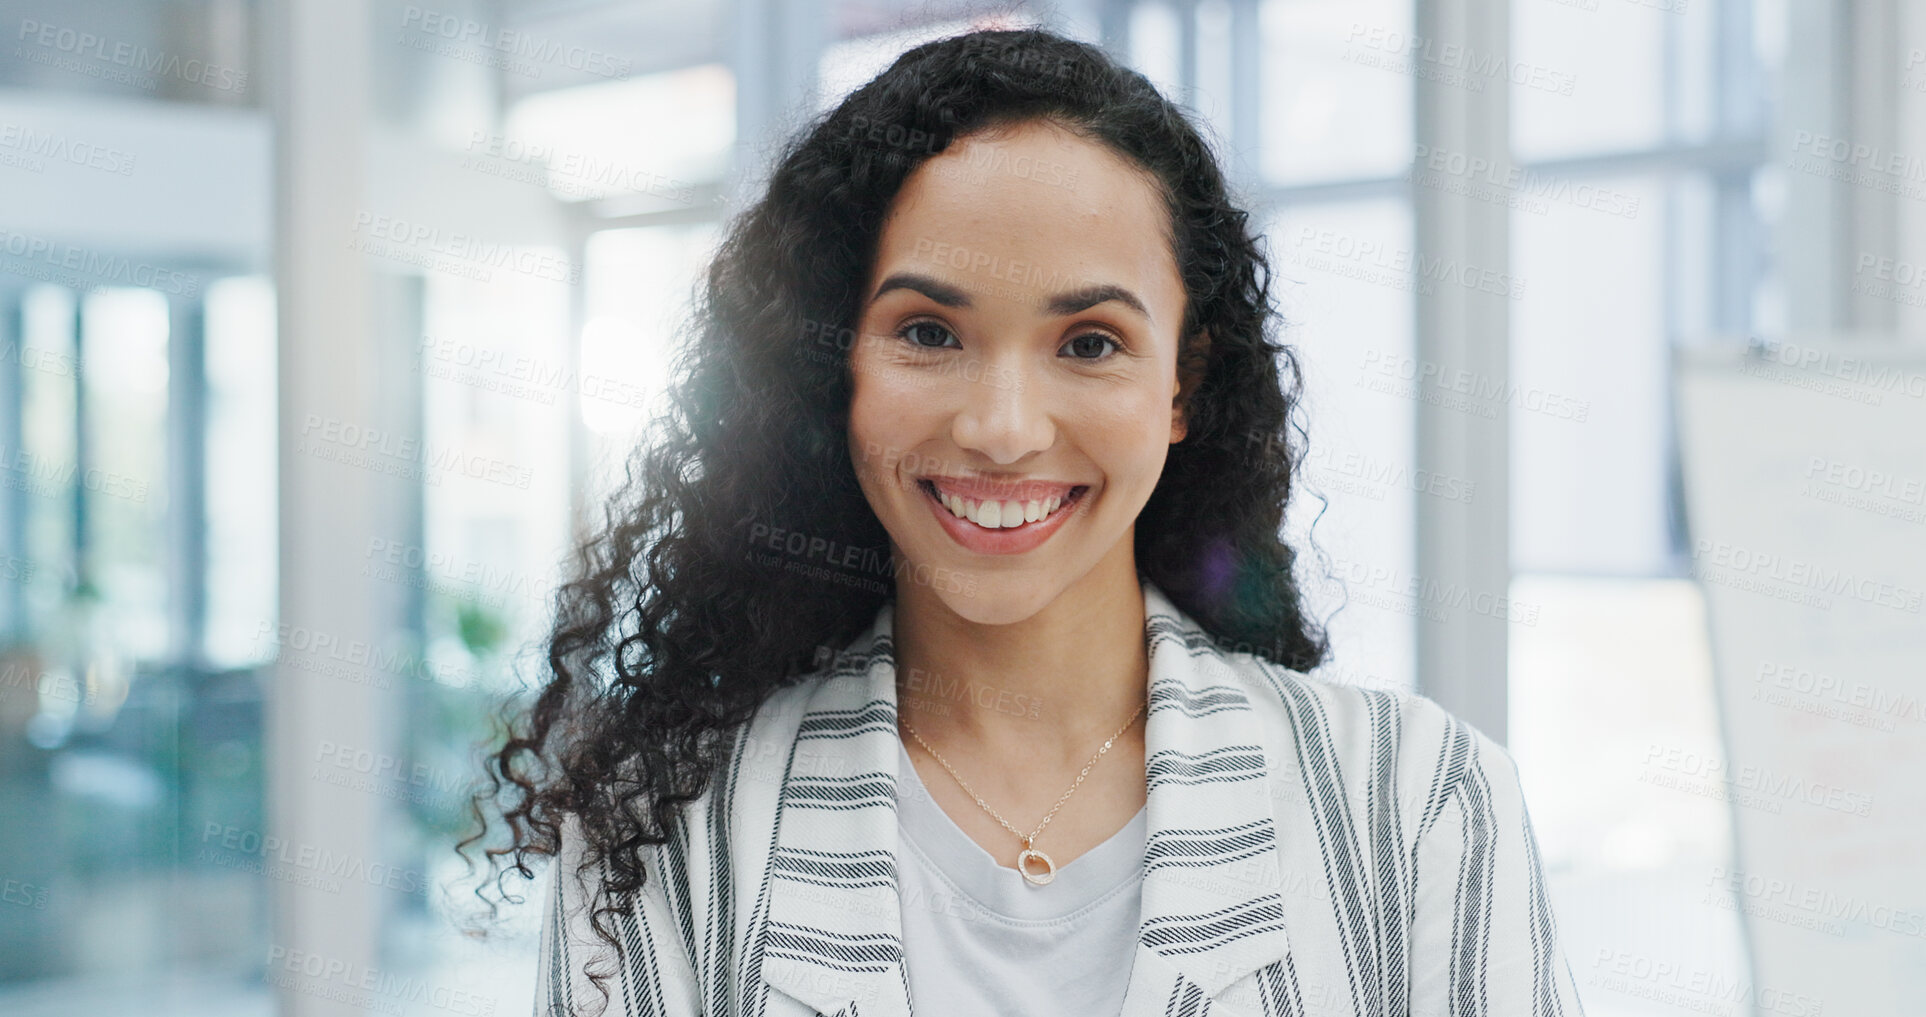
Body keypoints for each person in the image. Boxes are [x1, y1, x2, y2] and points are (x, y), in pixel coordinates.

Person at [459, 25, 1586, 1017]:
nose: (1001, 429)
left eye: (1088, 343)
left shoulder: (1420, 805)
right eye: (927, 334)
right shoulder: (660, 838)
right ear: (832, 366)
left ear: (1182, 384)